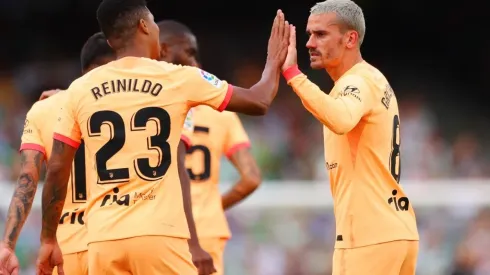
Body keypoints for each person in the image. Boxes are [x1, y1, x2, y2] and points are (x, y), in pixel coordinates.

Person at [35, 0, 290, 274]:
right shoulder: (177, 78)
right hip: (160, 236)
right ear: (144, 25)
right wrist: (274, 60)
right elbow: (259, 101)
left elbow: (57, 169)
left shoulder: (79, 89)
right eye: (155, 22)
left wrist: (48, 238)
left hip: (102, 239)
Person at [281, 1, 419, 274]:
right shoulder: (373, 79)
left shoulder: (356, 82)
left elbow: (341, 119)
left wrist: (292, 75)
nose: (309, 43)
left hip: (368, 238)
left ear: (350, 38)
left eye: (320, 34)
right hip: (396, 231)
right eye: (309, 34)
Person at [0, 32, 116, 275]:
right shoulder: (136, 110)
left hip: (67, 250)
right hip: (119, 242)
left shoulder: (45, 110)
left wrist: (7, 245)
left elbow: (27, 180)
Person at [158, 20, 262, 275]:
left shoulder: (146, 108)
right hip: (206, 229)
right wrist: (213, 206)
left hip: (159, 227)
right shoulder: (221, 113)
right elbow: (251, 178)